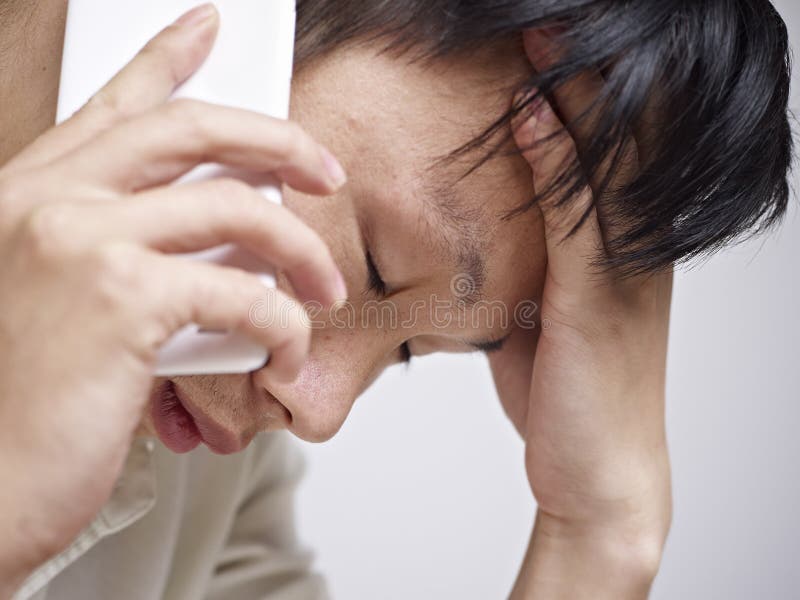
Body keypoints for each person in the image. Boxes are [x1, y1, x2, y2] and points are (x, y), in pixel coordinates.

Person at [0, 1, 791, 598]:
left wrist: (598, 538)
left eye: (407, 350)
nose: (320, 412)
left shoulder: (201, 474)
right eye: (376, 266)